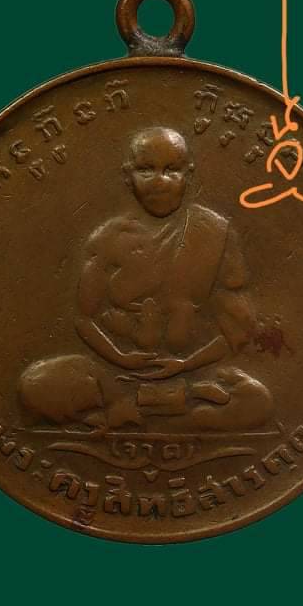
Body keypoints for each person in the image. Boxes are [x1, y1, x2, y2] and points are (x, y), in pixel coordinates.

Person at [18, 126, 272, 431]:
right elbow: (84, 318)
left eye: (172, 170)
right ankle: (151, 408)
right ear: (128, 176)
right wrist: (122, 358)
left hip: (197, 371)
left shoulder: (215, 232)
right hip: (116, 375)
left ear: (189, 175)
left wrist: (185, 364)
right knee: (36, 385)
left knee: (258, 402)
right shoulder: (108, 238)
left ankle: (149, 408)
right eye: (146, 169)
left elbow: (238, 327)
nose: (160, 181)